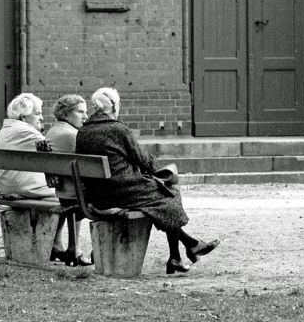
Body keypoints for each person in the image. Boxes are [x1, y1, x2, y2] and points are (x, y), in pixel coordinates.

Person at [75, 87, 219, 274]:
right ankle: (182, 251)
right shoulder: (117, 129)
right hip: (121, 192)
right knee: (170, 193)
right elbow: (141, 158)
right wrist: (161, 171)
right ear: (114, 107)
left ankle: (184, 251)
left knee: (164, 195)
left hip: (98, 194)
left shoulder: (83, 132)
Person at [0, 93, 67, 261]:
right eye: (37, 113)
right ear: (24, 117)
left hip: (7, 184)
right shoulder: (26, 131)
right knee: (68, 195)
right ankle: (58, 244)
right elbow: (54, 148)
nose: (41, 117)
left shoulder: (8, 128)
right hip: (19, 186)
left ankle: (55, 243)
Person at [44, 94, 91, 266]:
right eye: (80, 112)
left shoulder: (52, 131)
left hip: (62, 191)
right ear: (65, 114)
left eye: (85, 112)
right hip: (76, 193)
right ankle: (75, 248)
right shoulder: (72, 135)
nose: (85, 116)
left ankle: (62, 245)